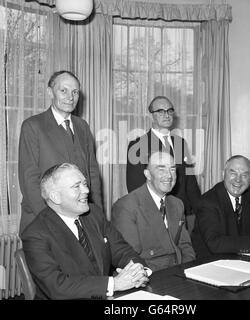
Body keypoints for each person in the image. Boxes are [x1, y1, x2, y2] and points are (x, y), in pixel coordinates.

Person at [21, 163, 149, 300]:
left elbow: (121, 250)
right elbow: (57, 287)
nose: (86, 191)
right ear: (55, 197)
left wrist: (138, 271)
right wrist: (114, 284)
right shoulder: (35, 234)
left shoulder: (94, 213)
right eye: (77, 186)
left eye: (84, 184)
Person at [18, 70, 102, 233]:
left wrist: (98, 217)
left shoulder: (82, 126)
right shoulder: (33, 126)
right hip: (44, 221)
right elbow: (29, 180)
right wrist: (55, 222)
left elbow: (92, 175)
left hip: (80, 220)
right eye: (63, 90)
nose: (70, 97)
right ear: (50, 92)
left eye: (75, 92)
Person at [112, 151, 195, 272]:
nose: (169, 175)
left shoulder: (177, 204)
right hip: (150, 276)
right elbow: (130, 258)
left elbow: (186, 247)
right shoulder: (126, 206)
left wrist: (187, 271)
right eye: (161, 169)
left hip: (180, 272)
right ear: (148, 174)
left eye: (172, 169)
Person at [126, 96, 201, 227]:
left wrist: (200, 212)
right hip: (155, 217)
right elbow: (135, 187)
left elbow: (190, 182)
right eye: (161, 111)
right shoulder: (138, 145)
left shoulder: (180, 143)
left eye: (170, 111)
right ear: (151, 116)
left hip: (182, 216)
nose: (166, 115)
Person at [191, 155, 250, 258]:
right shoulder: (208, 201)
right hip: (211, 264)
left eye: (244, 175)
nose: (238, 180)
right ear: (223, 174)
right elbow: (215, 243)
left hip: (242, 260)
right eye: (233, 173)